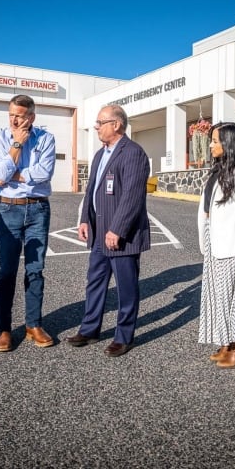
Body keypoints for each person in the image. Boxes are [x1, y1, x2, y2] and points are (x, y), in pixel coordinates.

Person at [65, 103, 151, 357]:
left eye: (101, 122)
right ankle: (90, 329)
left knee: (126, 288)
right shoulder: (100, 154)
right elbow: (90, 190)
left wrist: (117, 230)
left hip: (120, 237)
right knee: (95, 283)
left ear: (117, 125)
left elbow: (132, 197)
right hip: (99, 233)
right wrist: (84, 219)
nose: (96, 127)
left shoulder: (133, 153)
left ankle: (124, 337)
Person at [0, 94, 56, 352]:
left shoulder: (46, 138)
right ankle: (4, 330)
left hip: (38, 209)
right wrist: (16, 145)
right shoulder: (0, 139)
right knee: (7, 271)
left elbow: (44, 174)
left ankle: (33, 325)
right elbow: (1, 175)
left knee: (35, 269)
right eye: (11, 115)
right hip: (9, 209)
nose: (15, 120)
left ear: (32, 116)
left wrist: (16, 175)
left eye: (20, 115)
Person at [197, 122, 235, 369]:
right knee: (217, 297)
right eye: (211, 140)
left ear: (229, 143)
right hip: (215, 242)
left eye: (215, 140)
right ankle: (226, 341)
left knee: (233, 298)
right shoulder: (218, 171)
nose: (211, 145)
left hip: (232, 245)